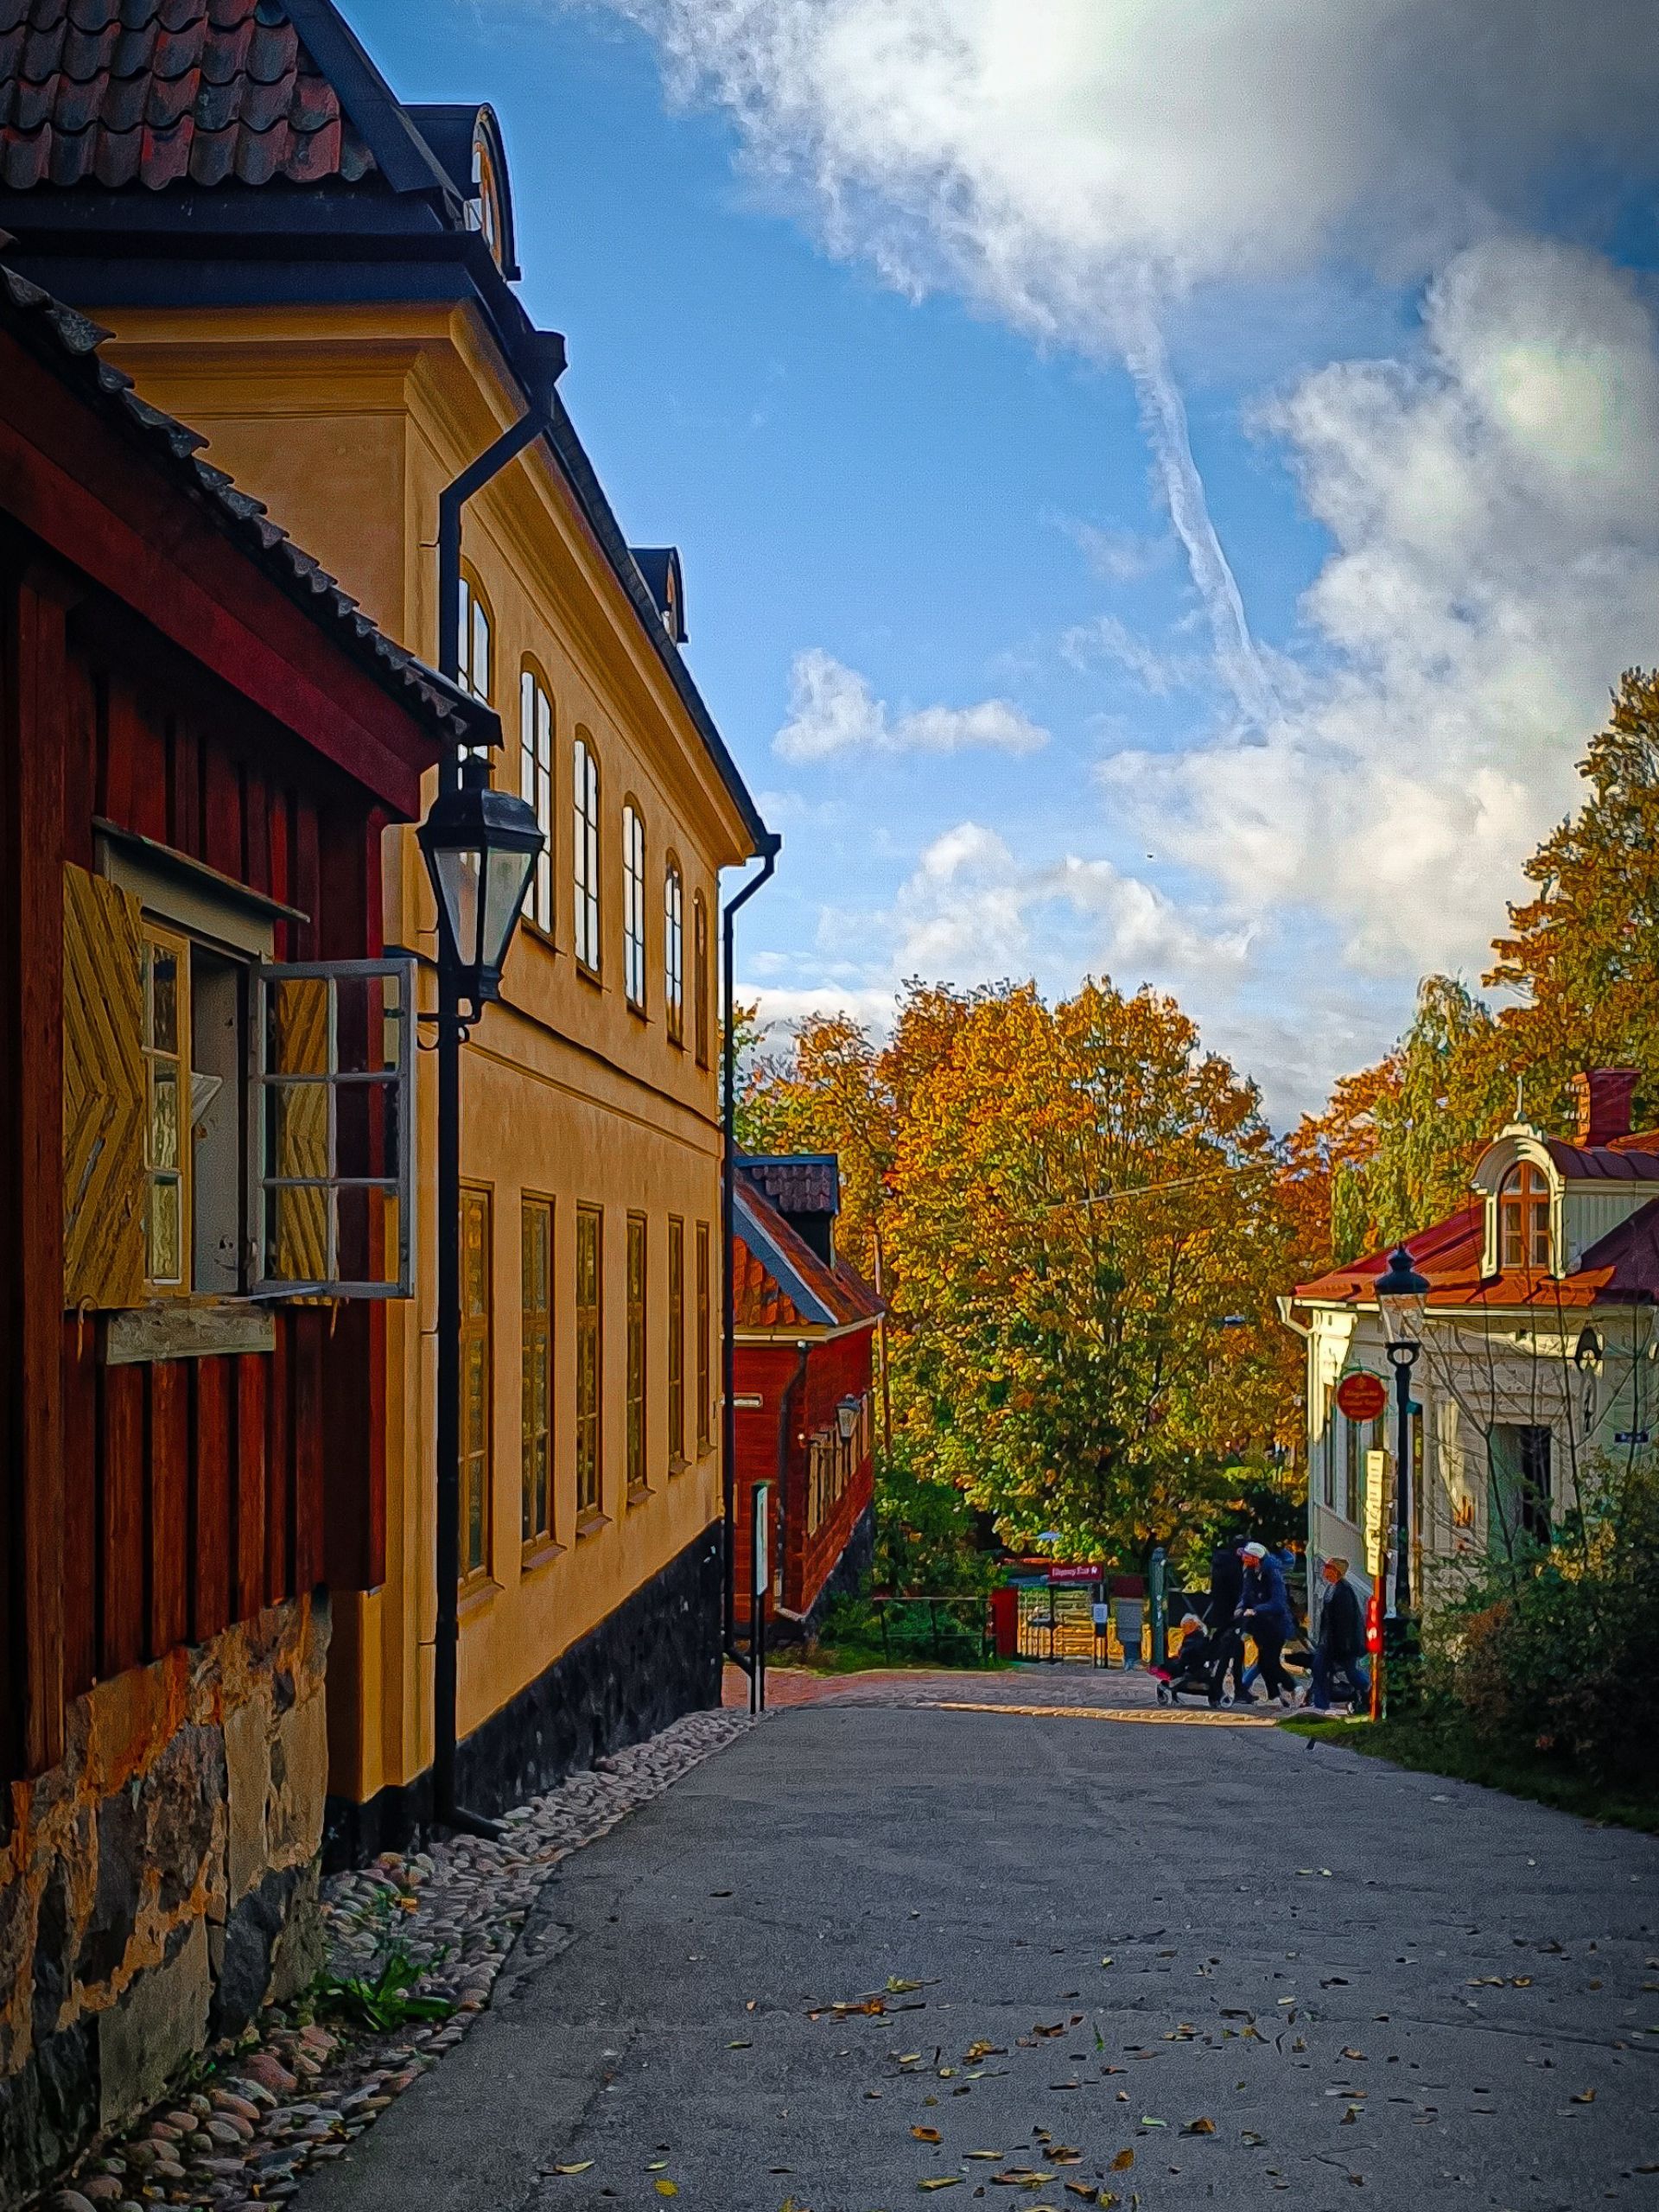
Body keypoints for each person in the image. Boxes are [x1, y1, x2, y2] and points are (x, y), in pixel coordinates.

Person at [1238, 1540, 1296, 1706]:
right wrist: (1241, 1607)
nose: (1244, 1559)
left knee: (1269, 1662)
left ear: (1256, 1558)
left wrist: (1257, 1610)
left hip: (1275, 1626)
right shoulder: (1250, 1573)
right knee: (1265, 1663)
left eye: (1248, 1557)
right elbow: (1246, 1594)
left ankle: (1293, 1687)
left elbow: (1278, 1603)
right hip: (1261, 1627)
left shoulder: (1272, 1572)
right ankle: (1275, 1697)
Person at [1308, 1556, 1370, 1712]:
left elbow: (1345, 1623)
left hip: (1342, 1644)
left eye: (1328, 1568)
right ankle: (1320, 1704)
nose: (1324, 1571)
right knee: (1320, 1670)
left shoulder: (1343, 1592)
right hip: (1329, 1642)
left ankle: (1368, 1687)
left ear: (1336, 1571)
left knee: (1350, 1672)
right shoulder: (1332, 1588)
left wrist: (1341, 1647)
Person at [1205, 1539, 1252, 1701]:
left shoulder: (1221, 1563)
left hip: (1220, 1613)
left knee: (1235, 1649)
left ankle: (1239, 1688)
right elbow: (1236, 1592)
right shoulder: (1234, 1567)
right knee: (1227, 1651)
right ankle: (1217, 1688)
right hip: (1231, 1615)